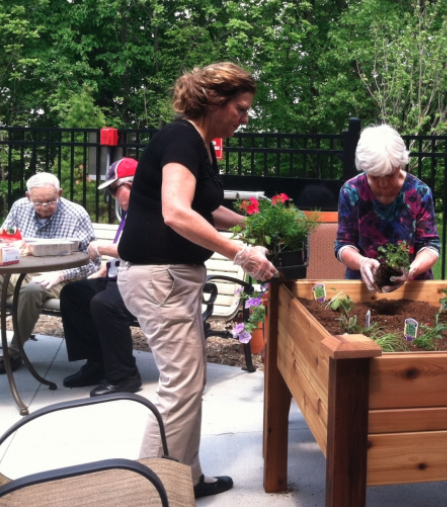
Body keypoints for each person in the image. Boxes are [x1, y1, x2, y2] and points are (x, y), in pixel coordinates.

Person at [117, 62, 277, 499]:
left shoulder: (201, 144)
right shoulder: (182, 138)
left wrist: (253, 226)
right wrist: (239, 252)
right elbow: (176, 211)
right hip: (159, 276)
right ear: (214, 101)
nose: (244, 118)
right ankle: (150, 491)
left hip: (171, 275)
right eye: (240, 108)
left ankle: (187, 476)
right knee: (180, 388)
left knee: (188, 383)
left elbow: (206, 208)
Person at [0, 172, 97, 373]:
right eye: (38, 202)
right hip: (22, 270)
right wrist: (13, 245)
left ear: (60, 193)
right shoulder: (19, 207)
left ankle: (13, 353)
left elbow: (92, 261)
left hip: (60, 276)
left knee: (32, 290)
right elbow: (4, 239)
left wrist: (62, 274)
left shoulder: (76, 214)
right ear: (28, 197)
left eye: (51, 201)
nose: (45, 206)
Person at [61, 157, 142, 396]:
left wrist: (101, 248)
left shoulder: (150, 211)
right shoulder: (130, 213)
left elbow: (137, 249)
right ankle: (98, 364)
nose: (113, 196)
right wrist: (103, 270)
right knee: (74, 293)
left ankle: (125, 376)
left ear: (132, 184)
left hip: (146, 282)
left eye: (114, 189)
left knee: (105, 304)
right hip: (124, 277)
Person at [334, 124, 440, 290]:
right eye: (375, 176)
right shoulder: (351, 191)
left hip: (411, 289)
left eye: (390, 174)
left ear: (401, 164)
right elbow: (344, 245)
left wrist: (411, 270)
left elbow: (430, 245)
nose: (383, 183)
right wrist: (362, 261)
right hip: (364, 286)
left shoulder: (419, 192)